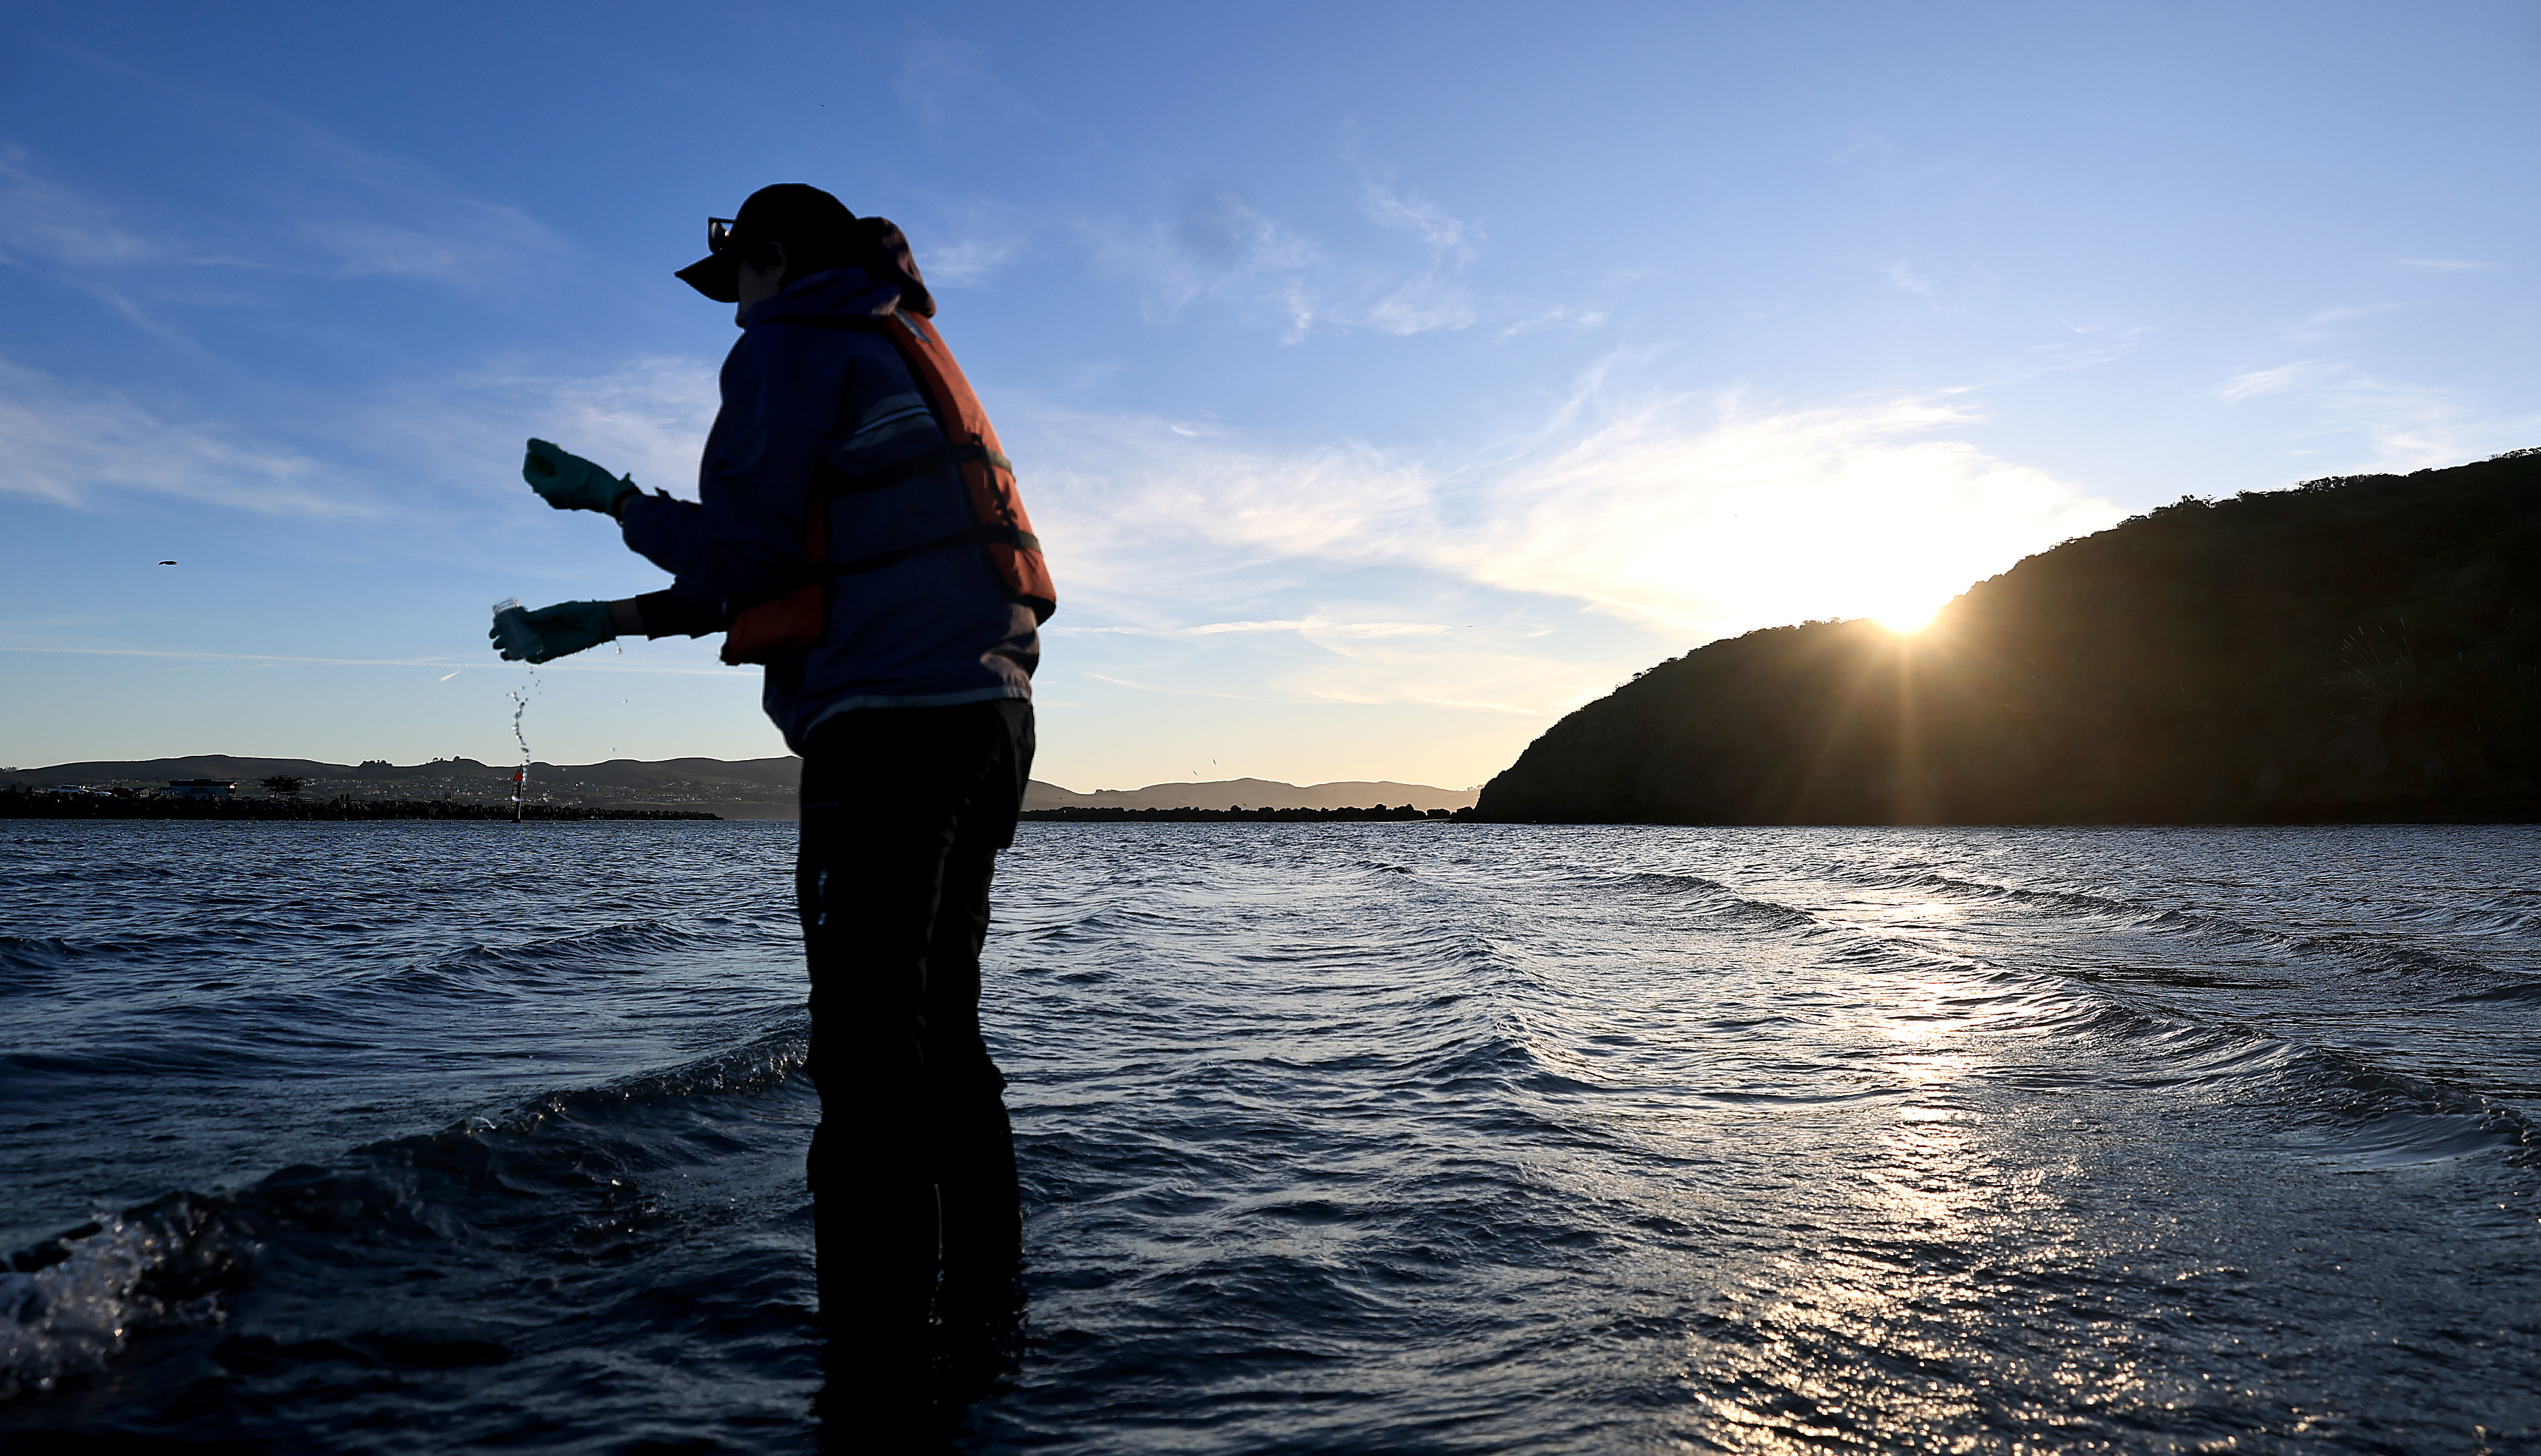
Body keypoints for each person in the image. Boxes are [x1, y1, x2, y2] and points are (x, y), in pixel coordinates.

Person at [490, 183, 1054, 1426]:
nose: (728, 314)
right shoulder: (890, 337)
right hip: (985, 718)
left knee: (864, 1059)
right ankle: (993, 1333)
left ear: (773, 262)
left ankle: (876, 1384)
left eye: (732, 285)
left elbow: (745, 559)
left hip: (886, 734)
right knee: (938, 1032)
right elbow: (806, 560)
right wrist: (613, 624)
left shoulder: (789, 346)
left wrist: (613, 503)